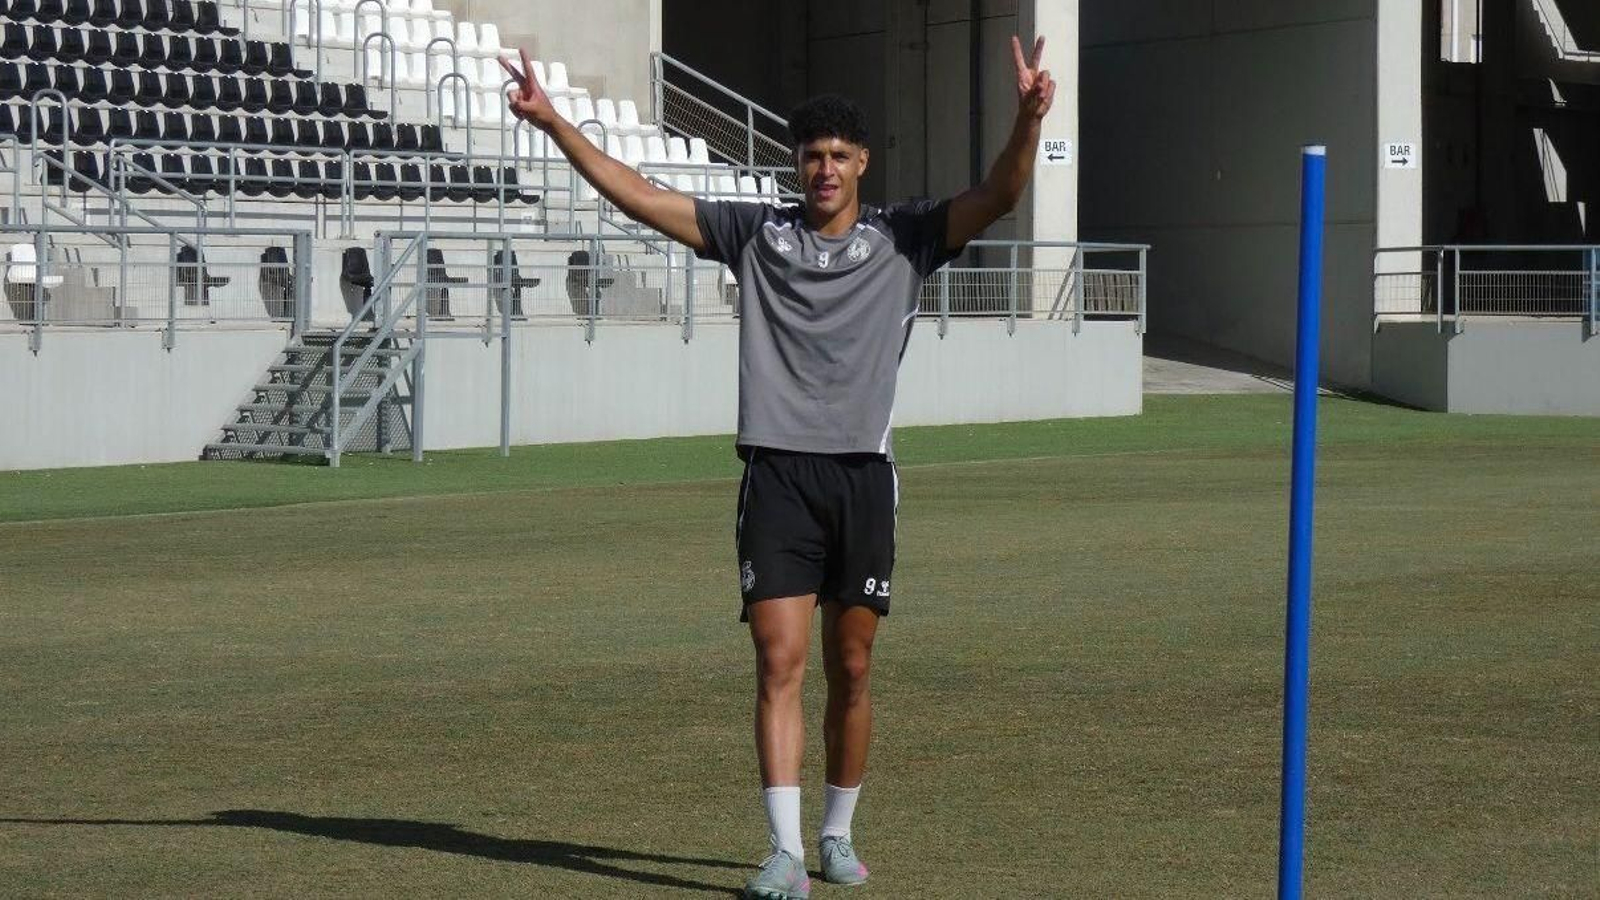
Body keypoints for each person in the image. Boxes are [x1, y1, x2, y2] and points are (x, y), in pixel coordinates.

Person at [502, 35, 1055, 900]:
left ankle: (837, 834)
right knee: (778, 658)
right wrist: (553, 124)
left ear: (862, 162)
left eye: (838, 155)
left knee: (853, 666)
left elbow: (1001, 195)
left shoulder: (906, 236)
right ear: (795, 165)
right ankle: (785, 853)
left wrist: (1027, 120)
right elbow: (640, 195)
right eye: (811, 156)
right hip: (778, 477)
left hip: (863, 478)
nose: (824, 169)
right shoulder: (754, 234)